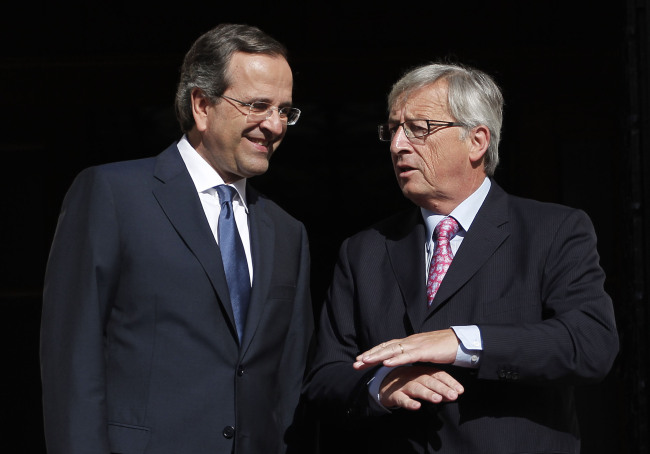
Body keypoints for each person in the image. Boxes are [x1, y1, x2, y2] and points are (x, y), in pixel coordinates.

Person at [304, 62, 618, 454]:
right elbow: (324, 378)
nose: (398, 144)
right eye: (393, 129)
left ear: (477, 141)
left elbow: (590, 344)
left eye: (419, 129)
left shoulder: (553, 229)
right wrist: (379, 387)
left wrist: (462, 342)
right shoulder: (364, 249)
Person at [40, 23, 313, 454]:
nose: (274, 125)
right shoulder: (113, 194)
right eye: (258, 105)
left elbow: (288, 378)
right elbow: (72, 357)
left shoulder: (286, 231)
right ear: (202, 105)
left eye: (285, 110)